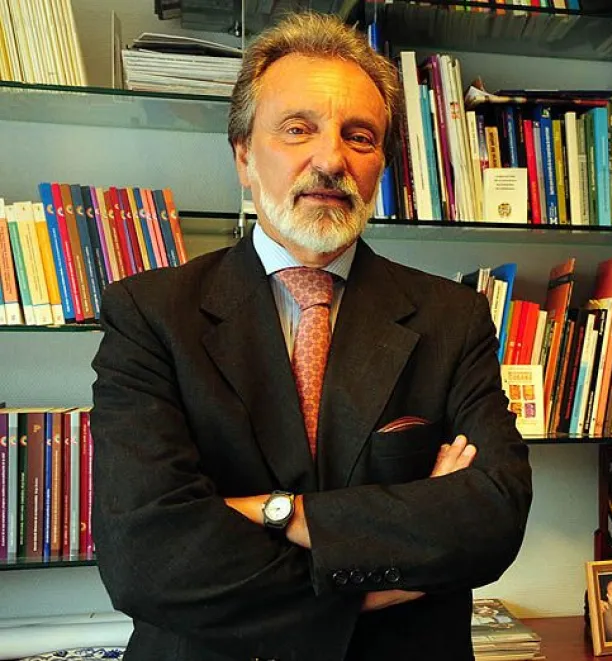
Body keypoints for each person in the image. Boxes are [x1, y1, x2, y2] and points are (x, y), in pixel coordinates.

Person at [89, 13, 532, 661]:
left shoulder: (452, 316)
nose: (330, 159)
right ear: (244, 156)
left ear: (381, 164)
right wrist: (372, 584)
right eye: (298, 129)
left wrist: (276, 511)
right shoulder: (150, 314)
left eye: (360, 136)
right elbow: (148, 556)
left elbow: (491, 519)